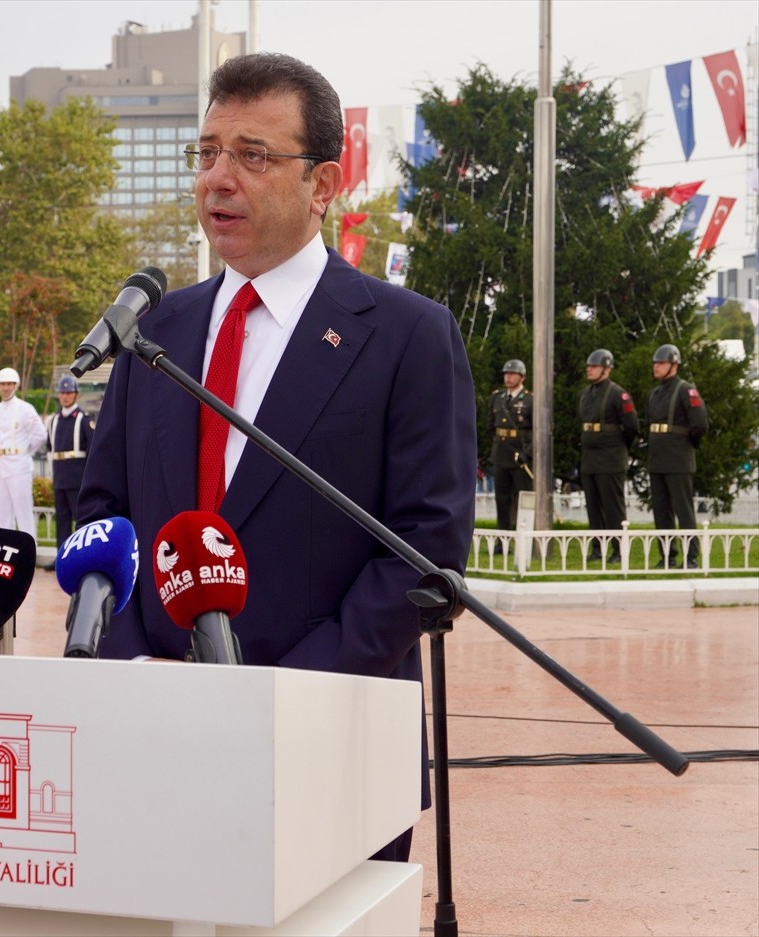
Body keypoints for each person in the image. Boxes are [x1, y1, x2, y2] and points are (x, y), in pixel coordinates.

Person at [77, 52, 476, 864]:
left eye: (252, 156)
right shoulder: (152, 335)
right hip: (155, 731)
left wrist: (280, 695)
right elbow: (102, 516)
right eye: (207, 152)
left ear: (323, 184)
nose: (217, 179)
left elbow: (425, 543)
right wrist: (130, 658)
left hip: (330, 741)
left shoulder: (406, 335)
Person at [645, 343, 709, 568]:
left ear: (674, 365)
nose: (656, 366)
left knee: (683, 510)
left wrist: (688, 445)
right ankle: (667, 556)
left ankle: (690, 557)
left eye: (661, 363)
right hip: (658, 458)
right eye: (655, 363)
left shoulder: (685, 390)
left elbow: (700, 424)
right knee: (661, 511)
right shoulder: (654, 393)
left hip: (678, 457)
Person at [578, 349, 638, 563]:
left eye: (594, 366)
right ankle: (598, 548)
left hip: (610, 457)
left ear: (606, 369)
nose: (589, 369)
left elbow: (631, 426)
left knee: (613, 508)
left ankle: (618, 550)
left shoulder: (618, 394)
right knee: (593, 507)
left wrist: (618, 448)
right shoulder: (585, 393)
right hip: (590, 458)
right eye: (588, 366)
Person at [0, 366, 46, 540]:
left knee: (23, 509)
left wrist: (25, 451)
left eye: (9, 384)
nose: (5, 388)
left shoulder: (26, 409)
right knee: (3, 510)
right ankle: (7, 548)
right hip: (0, 462)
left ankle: (29, 547)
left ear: (16, 385)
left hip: (19, 463)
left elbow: (40, 435)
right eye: (2, 384)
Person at [45, 374, 94, 568]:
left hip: (77, 478)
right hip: (60, 477)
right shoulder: (53, 420)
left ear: (76, 395)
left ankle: (82, 558)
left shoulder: (83, 419)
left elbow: (91, 449)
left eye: (69, 393)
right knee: (62, 520)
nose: (65, 396)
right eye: (62, 393)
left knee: (79, 519)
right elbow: (50, 448)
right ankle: (62, 558)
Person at [489, 359, 533, 542]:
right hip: (501, 455)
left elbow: (537, 431)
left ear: (522, 377)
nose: (508, 377)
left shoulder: (529, 400)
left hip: (520, 457)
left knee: (525, 500)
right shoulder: (497, 398)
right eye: (506, 374)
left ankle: (526, 540)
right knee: (502, 500)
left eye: (513, 374)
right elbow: (490, 426)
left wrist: (527, 454)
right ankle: (502, 540)